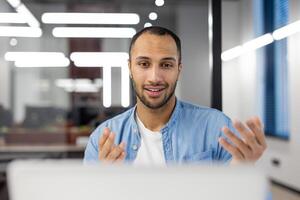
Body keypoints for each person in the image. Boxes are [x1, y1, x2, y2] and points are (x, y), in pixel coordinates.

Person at [84, 26, 266, 165]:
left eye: (166, 65)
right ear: (130, 68)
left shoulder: (216, 128)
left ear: (179, 69)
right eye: (144, 64)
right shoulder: (103, 140)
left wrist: (243, 174)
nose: (154, 77)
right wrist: (104, 184)